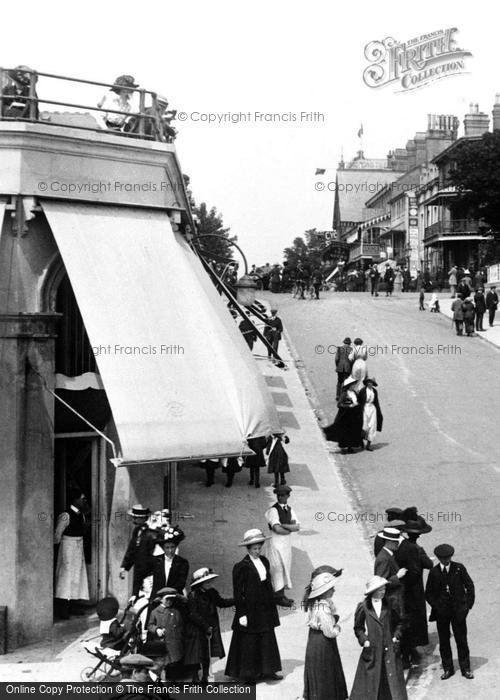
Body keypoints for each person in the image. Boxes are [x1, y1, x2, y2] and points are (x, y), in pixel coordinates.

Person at [225, 529, 282, 683]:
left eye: (259, 548)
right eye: (254, 549)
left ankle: (268, 671)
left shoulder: (264, 561)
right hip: (250, 609)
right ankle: (249, 674)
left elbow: (267, 584)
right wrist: (242, 613)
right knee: (249, 642)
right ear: (248, 549)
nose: (257, 551)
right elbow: (238, 592)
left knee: (267, 639)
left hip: (264, 608)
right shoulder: (241, 566)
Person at [350, 576, 408, 700]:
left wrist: (396, 636)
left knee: (391, 685)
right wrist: (364, 640)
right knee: (373, 684)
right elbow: (358, 628)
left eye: (384, 589)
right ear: (373, 591)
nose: (383, 591)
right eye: (380, 589)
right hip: (373, 651)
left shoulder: (390, 603)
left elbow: (400, 622)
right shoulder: (364, 606)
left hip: (389, 650)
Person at [425, 544, 475, 680]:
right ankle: (448, 668)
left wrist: (467, 606)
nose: (446, 561)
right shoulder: (434, 572)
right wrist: (437, 606)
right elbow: (428, 593)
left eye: (448, 558)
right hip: (442, 614)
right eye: (443, 559)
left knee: (461, 640)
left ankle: (465, 668)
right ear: (439, 558)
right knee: (444, 641)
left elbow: (470, 587)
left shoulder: (459, 568)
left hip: (458, 612)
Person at [303, 570, 348, 700]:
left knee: (318, 671)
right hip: (323, 643)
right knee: (325, 672)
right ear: (324, 591)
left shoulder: (314, 603)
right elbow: (329, 632)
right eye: (331, 588)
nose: (334, 590)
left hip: (313, 640)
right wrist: (337, 628)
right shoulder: (323, 608)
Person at [394, 519, 433, 668]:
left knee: (406, 619)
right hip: (414, 590)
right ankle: (410, 653)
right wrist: (422, 553)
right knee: (413, 620)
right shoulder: (415, 549)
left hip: (404, 588)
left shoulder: (401, 546)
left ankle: (409, 653)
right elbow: (428, 565)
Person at [184, 567, 234, 682]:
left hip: (210, 627)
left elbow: (221, 603)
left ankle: (205, 677)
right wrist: (205, 626)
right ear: (199, 583)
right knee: (196, 654)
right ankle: (195, 677)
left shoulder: (212, 592)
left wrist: (236, 600)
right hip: (196, 628)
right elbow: (193, 614)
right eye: (205, 582)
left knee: (207, 652)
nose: (208, 583)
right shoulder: (193, 595)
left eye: (209, 581)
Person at [54, 489, 90, 619]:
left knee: (76, 576)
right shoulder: (65, 515)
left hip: (78, 548)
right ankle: (62, 608)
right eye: (82, 499)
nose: (84, 501)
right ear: (75, 500)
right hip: (67, 548)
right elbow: (57, 535)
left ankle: (72, 606)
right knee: (66, 577)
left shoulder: (82, 515)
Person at [263, 485, 300, 607]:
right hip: (276, 543)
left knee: (285, 567)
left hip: (286, 544)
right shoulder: (273, 510)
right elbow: (276, 528)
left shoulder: (289, 509)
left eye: (283, 495)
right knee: (276, 568)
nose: (280, 497)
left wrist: (285, 526)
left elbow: (297, 526)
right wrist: (288, 529)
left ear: (288, 496)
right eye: (279, 495)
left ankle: (281, 594)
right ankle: (277, 596)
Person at [120, 505, 156, 596]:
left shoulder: (153, 533)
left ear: (143, 518)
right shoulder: (137, 530)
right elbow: (132, 549)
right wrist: (125, 567)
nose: (133, 520)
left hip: (150, 570)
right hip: (138, 568)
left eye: (135, 518)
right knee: (136, 594)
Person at [323, 376, 364, 454]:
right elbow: (339, 404)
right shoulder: (344, 394)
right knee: (345, 431)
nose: (354, 386)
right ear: (349, 385)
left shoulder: (354, 393)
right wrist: (348, 406)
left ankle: (350, 446)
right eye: (352, 385)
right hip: (346, 415)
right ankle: (343, 446)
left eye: (354, 384)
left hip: (353, 415)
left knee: (352, 430)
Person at [373, 527, 407, 615]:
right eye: (396, 542)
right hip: (390, 602)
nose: (398, 544)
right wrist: (397, 576)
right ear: (389, 542)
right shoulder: (384, 558)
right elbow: (381, 583)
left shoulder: (388, 555)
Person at [150, 527, 188, 597]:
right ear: (163, 548)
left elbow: (181, 583)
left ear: (176, 547)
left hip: (175, 596)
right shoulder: (156, 560)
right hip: (157, 597)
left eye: (172, 547)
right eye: (167, 547)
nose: (170, 550)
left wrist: (169, 594)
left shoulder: (182, 562)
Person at [358, 377, 383, 451]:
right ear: (366, 383)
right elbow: (359, 401)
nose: (370, 384)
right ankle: (361, 441)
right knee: (364, 426)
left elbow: (376, 401)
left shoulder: (374, 391)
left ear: (373, 384)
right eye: (368, 382)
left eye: (371, 382)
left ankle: (368, 445)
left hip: (372, 409)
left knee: (372, 426)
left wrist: (379, 412)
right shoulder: (363, 391)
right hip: (364, 408)